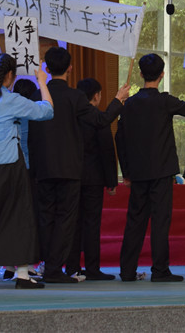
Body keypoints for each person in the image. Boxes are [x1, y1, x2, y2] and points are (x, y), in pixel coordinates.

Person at [28, 46, 126, 284]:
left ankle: (47, 266)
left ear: (47, 67)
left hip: (42, 167)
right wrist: (118, 100)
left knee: (45, 218)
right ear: (70, 68)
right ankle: (54, 269)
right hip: (70, 168)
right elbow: (101, 120)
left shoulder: (36, 96)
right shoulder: (75, 97)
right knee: (66, 220)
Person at [0, 54, 54, 290]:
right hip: (10, 163)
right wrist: (42, 81)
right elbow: (47, 111)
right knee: (19, 216)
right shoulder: (13, 100)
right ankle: (22, 275)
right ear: (10, 75)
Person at [116, 53, 185, 282]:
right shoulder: (164, 101)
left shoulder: (129, 104)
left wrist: (126, 172)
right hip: (162, 170)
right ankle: (160, 270)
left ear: (140, 74)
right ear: (163, 74)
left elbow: (120, 139)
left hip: (137, 172)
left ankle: (127, 270)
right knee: (160, 221)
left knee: (135, 221)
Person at [64, 77, 120, 281]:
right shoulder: (98, 117)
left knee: (73, 223)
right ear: (96, 96)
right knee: (91, 224)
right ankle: (92, 268)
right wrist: (111, 181)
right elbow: (107, 151)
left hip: (72, 176)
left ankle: (72, 266)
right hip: (94, 178)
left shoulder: (71, 117)